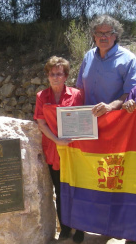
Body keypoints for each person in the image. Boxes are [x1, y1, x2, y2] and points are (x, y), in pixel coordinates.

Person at [34, 56, 85, 243]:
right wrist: (56, 140)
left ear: (66, 76)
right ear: (48, 75)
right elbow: (41, 122)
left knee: (76, 189)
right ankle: (65, 228)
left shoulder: (77, 95)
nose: (55, 77)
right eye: (52, 74)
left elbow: (83, 121)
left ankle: (80, 228)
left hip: (73, 150)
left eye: (59, 74)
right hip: (53, 149)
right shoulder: (41, 96)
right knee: (60, 190)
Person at [76, 14, 136, 116]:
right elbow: (80, 89)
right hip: (88, 120)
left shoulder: (129, 59)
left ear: (115, 35)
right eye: (99, 33)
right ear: (94, 36)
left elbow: (132, 93)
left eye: (108, 33)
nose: (103, 37)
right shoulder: (88, 56)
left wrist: (110, 106)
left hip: (114, 120)